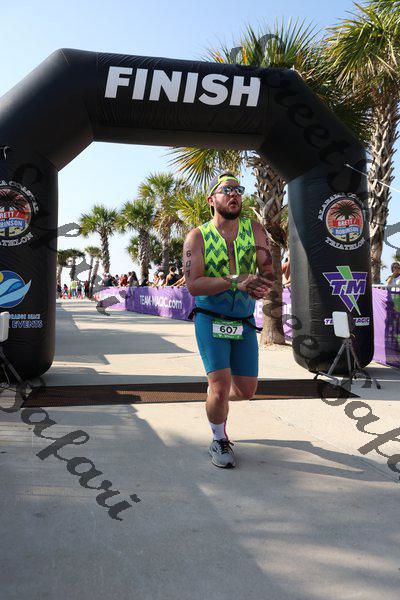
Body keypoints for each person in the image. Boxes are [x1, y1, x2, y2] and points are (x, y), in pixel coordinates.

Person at [184, 171, 272, 469]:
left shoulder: (255, 229)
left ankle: (215, 398)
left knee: (246, 391)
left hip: (243, 320)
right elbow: (194, 285)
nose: (234, 194)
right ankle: (218, 438)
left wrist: (263, 285)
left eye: (238, 189)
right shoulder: (197, 236)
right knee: (221, 386)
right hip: (210, 318)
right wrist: (235, 280)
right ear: (212, 200)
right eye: (227, 190)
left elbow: (267, 269)